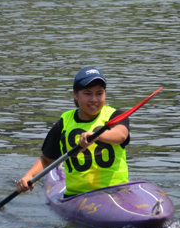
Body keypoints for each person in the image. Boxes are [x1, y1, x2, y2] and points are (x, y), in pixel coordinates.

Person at [16, 67, 130, 197]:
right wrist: (28, 176)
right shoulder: (63, 123)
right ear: (76, 94)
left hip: (117, 192)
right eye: (87, 93)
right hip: (76, 197)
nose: (94, 99)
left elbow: (121, 135)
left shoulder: (115, 116)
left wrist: (97, 136)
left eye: (99, 93)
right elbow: (46, 160)